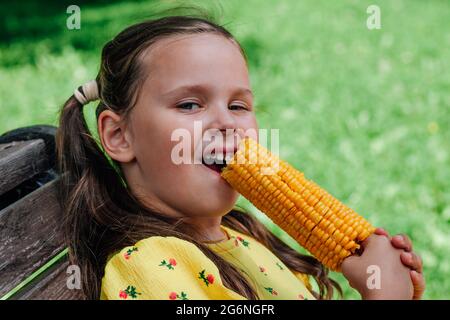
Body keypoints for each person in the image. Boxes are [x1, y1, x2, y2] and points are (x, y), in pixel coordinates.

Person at [56, 15, 425, 300]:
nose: (226, 122)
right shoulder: (149, 267)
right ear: (119, 136)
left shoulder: (244, 238)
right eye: (189, 104)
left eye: (238, 105)